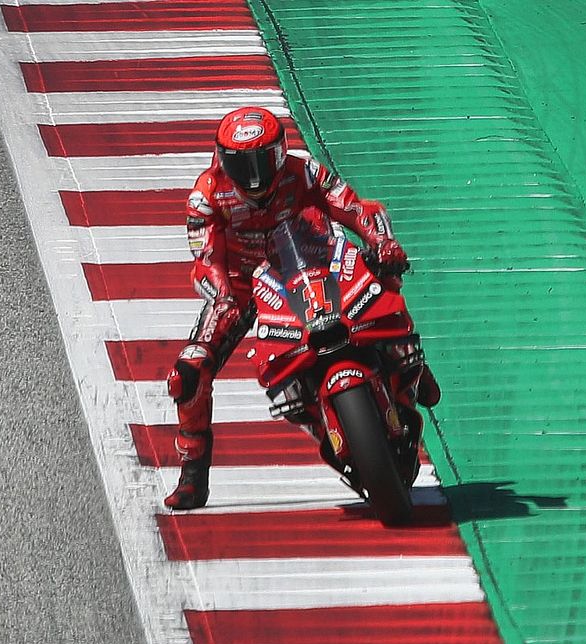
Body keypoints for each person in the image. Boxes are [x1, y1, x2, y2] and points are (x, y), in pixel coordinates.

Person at [164, 106, 440, 510]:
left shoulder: (305, 171)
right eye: (241, 162)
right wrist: (222, 295)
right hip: (242, 289)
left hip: (313, 264)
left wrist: (381, 242)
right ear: (222, 159)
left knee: (383, 264)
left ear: (279, 152)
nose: (254, 173)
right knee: (187, 371)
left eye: (262, 159)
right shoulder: (205, 196)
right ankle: (192, 474)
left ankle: (410, 362)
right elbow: (205, 259)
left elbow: (353, 207)